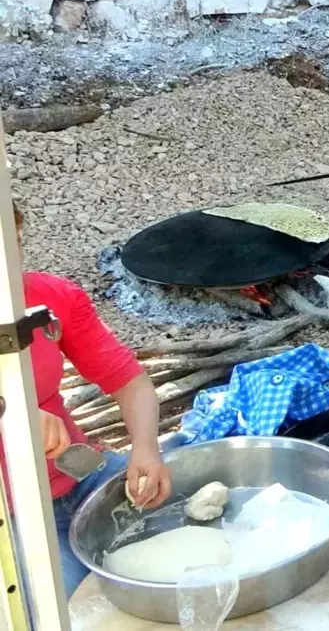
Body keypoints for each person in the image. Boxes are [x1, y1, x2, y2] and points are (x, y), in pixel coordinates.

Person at [3, 200, 172, 596]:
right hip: (11, 520)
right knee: (71, 608)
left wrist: (145, 449)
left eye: (16, 246)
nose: (10, 267)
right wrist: (13, 418)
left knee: (182, 529)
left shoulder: (49, 299)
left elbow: (129, 380)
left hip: (80, 476)